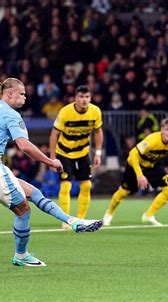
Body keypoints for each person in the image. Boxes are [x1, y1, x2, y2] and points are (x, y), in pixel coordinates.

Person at [0, 78, 102, 267]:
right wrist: (50, 161)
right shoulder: (11, 115)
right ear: (9, 94)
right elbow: (24, 146)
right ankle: (21, 256)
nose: (25, 97)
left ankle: (73, 222)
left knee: (34, 193)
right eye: (22, 93)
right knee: (23, 211)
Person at [103, 118, 168, 226]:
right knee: (124, 192)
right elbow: (133, 154)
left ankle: (149, 215)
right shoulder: (152, 140)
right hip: (135, 164)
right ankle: (109, 213)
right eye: (167, 130)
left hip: (153, 165)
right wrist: (139, 175)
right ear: (162, 130)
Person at [49, 85, 104, 229]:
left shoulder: (95, 111)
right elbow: (54, 134)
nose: (84, 100)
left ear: (90, 98)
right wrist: (53, 157)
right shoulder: (65, 112)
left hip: (83, 153)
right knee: (66, 186)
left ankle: (81, 218)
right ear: (75, 98)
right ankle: (66, 220)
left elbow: (98, 132)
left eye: (87, 97)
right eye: (81, 97)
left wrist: (97, 153)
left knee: (86, 185)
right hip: (64, 153)